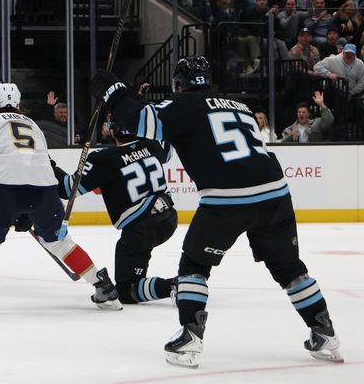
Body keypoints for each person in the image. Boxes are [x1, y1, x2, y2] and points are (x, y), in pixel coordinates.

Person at [91, 56, 343, 367]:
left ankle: (190, 337)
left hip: (228, 199)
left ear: (180, 82)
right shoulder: (239, 106)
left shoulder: (183, 105)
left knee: (194, 265)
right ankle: (324, 330)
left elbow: (138, 121)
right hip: (276, 195)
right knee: (290, 268)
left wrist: (112, 90)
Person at [0, 84, 121, 310]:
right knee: (60, 243)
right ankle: (102, 284)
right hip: (45, 191)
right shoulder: (33, 125)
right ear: (18, 105)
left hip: (6, 190)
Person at [52, 116, 177, 305]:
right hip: (168, 219)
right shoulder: (152, 146)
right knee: (133, 275)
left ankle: (177, 285)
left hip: (140, 229)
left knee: (126, 290)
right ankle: (173, 284)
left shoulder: (104, 159)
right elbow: (168, 147)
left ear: (112, 131)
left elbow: (67, 189)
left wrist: (46, 163)